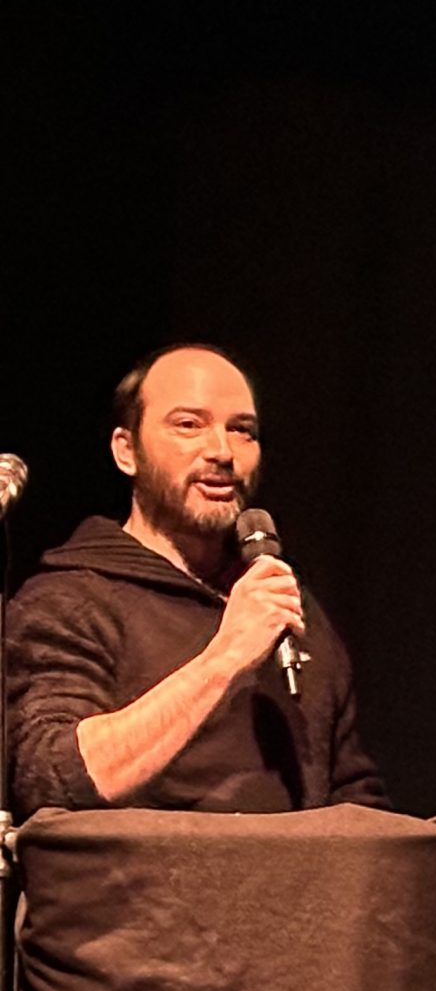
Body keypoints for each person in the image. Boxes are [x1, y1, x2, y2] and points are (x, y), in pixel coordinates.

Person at [4, 343, 386, 816]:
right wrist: (226, 656)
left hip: (291, 866)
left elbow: (352, 793)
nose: (222, 451)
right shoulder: (69, 600)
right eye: (188, 425)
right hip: (141, 868)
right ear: (127, 451)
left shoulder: (280, 601)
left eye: (242, 430)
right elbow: (50, 780)